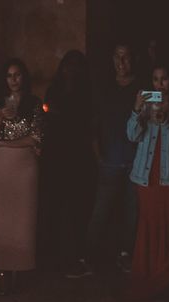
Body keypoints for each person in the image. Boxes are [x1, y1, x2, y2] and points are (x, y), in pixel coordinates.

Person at [67, 42, 141, 278]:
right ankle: (87, 258)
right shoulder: (105, 89)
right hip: (109, 161)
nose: (122, 63)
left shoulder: (142, 88)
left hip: (135, 163)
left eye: (126, 57)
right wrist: (98, 156)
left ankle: (125, 254)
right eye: (118, 57)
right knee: (100, 212)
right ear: (112, 60)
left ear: (132, 59)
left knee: (132, 212)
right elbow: (94, 125)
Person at [0, 58, 44, 295]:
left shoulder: (34, 103)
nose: (14, 80)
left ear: (23, 77)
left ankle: (21, 270)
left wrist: (5, 143)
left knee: (23, 220)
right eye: (9, 75)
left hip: (24, 169)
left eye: (17, 75)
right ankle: (0, 270)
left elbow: (36, 137)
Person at [124, 62, 169, 301]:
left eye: (164, 79)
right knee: (148, 226)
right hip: (145, 178)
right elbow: (132, 135)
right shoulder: (145, 107)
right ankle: (146, 277)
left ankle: (166, 279)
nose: (160, 84)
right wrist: (138, 110)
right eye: (156, 80)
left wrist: (167, 118)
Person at [41, 50, 95, 271]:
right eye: (67, 66)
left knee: (77, 209)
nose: (70, 71)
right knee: (53, 206)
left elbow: (84, 125)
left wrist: (60, 115)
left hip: (78, 157)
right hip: (55, 156)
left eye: (75, 67)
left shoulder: (87, 93)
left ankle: (77, 255)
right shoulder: (54, 90)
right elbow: (47, 118)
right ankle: (52, 254)